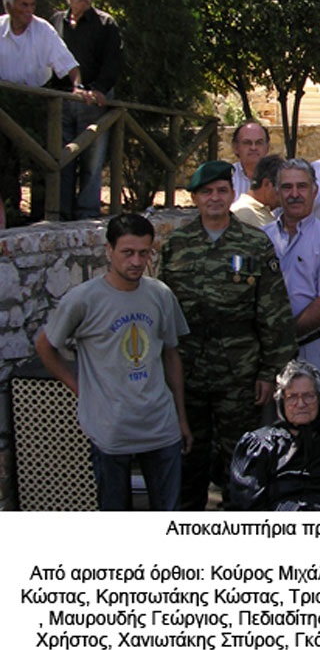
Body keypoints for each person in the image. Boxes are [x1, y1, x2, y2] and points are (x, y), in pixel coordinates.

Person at [160, 160, 298, 510]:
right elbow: (161, 312)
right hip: (188, 373)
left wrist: (269, 372)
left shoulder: (254, 243)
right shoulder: (176, 245)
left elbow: (274, 312)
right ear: (195, 198)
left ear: (232, 193)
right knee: (188, 457)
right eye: (207, 192)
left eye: (222, 190)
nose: (215, 198)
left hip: (240, 373)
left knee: (240, 460)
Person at [34, 213, 192, 510]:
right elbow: (45, 346)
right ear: (109, 250)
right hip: (111, 430)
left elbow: (171, 354)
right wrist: (80, 389)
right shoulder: (83, 299)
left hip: (160, 426)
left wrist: (181, 417)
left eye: (143, 253)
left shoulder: (160, 295)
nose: (136, 261)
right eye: (127, 252)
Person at [229, 360, 320, 511]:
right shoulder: (260, 446)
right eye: (292, 397)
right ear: (281, 401)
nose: (301, 404)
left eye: (308, 396)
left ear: (319, 399)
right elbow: (246, 509)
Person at [0, 0, 86, 223]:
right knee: (4, 162)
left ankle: (42, 217)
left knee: (42, 160)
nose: (29, 10)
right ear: (9, 6)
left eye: (32, 5)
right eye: (23, 5)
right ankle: (10, 215)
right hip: (4, 102)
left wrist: (78, 86)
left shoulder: (43, 30)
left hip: (37, 100)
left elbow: (69, 64)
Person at [263, 159, 320, 393]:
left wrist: (285, 337)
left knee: (310, 409)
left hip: (311, 346)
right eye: (287, 187)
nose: (294, 194)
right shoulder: (262, 238)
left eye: (302, 186)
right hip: (267, 352)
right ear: (277, 191)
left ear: (314, 191)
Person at [51, 0, 122, 220]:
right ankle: (59, 213)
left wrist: (98, 89)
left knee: (92, 161)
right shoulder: (55, 21)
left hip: (93, 101)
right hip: (62, 100)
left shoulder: (105, 23)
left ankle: (87, 215)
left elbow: (113, 62)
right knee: (61, 159)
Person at [231, 154, 283, 228]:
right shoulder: (243, 214)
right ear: (267, 183)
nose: (284, 195)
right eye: (282, 188)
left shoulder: (262, 212)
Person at [230, 119, 270, 199]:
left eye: (259, 143)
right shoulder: (228, 177)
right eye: (247, 143)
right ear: (236, 147)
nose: (253, 148)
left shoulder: (278, 176)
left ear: (267, 147)